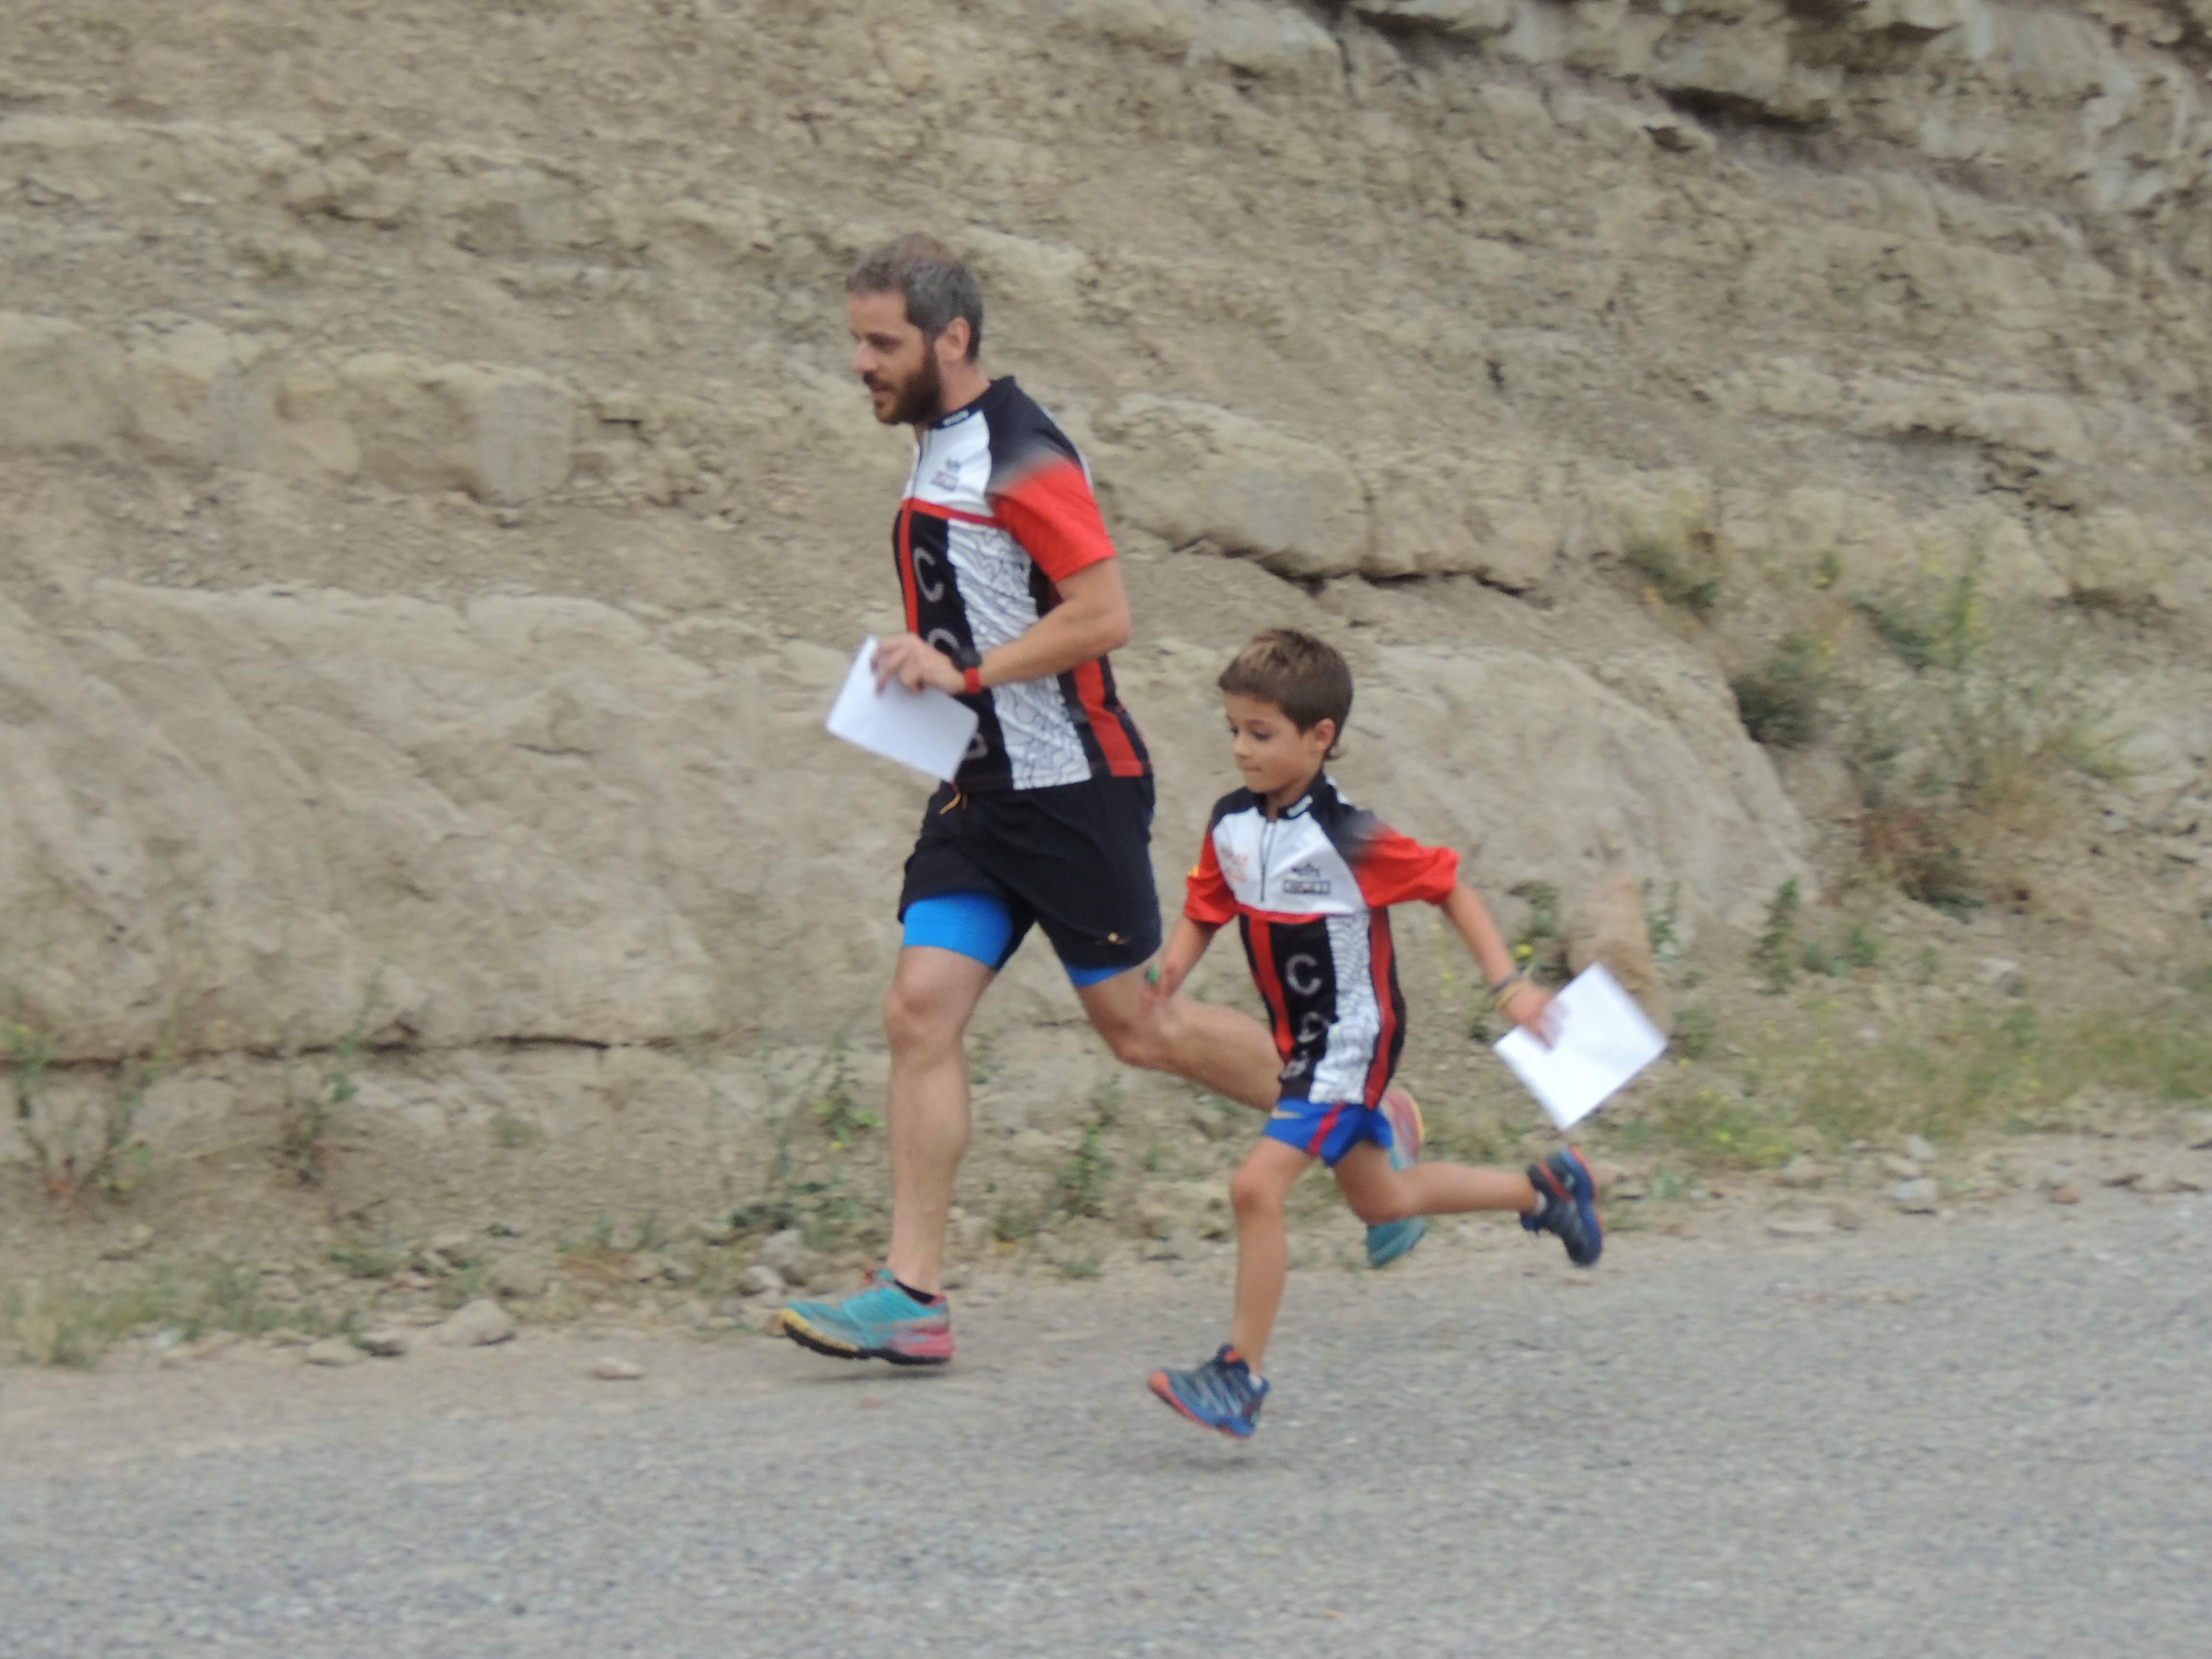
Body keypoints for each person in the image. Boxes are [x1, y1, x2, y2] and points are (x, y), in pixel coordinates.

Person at [776, 237, 1431, 1370]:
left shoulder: (1023, 452)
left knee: (1141, 1030)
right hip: (981, 792)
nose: (861, 363)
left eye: (881, 343)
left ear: (952, 339)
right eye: (857, 341)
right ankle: (913, 1295)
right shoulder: (940, 444)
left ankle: (1375, 1108)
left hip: (1075, 793)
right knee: (918, 1010)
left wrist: (965, 672)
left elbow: (1104, 614)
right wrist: (932, 671)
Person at [1144, 629, 1602, 1439]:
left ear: (1319, 737)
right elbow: (1207, 906)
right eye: (1234, 729)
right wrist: (1171, 972)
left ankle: (1239, 1375)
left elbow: (1449, 886)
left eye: (1261, 733)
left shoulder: (1350, 836)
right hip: (1300, 1047)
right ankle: (1546, 1191)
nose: (1241, 749)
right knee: (1381, 1199)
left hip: (1351, 1041)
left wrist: (1511, 988)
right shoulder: (1230, 824)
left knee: (1255, 1189)